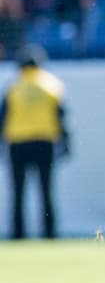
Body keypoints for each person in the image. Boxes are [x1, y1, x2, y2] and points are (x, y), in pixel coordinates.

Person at [1, 44, 70, 239]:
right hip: (44, 143)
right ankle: (49, 233)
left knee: (18, 193)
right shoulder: (52, 86)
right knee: (46, 191)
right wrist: (66, 143)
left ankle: (18, 234)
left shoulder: (13, 87)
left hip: (18, 144)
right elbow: (61, 117)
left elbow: (2, 118)